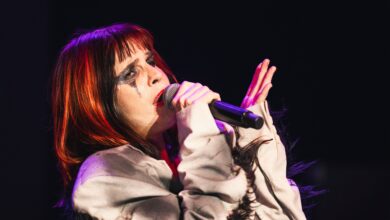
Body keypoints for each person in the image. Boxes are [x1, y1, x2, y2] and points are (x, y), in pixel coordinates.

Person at [52, 22, 307, 219]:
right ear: (98, 106)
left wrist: (250, 144)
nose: (155, 75)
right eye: (130, 73)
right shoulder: (103, 178)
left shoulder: (182, 156)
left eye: (150, 61)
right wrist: (204, 140)